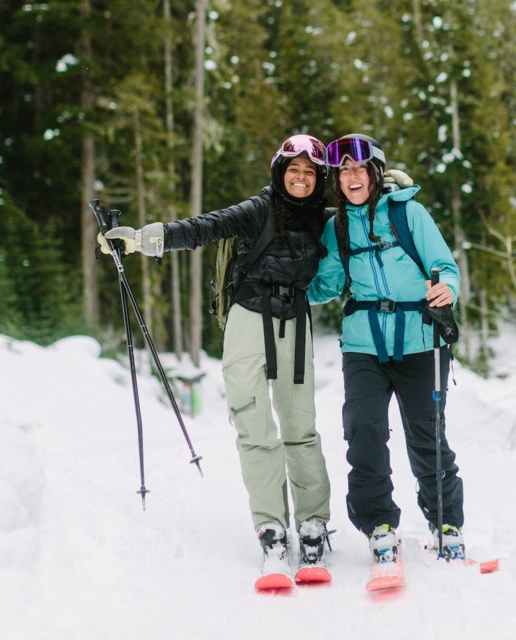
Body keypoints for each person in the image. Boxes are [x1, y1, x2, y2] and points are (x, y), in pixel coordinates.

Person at [98, 135, 334, 581]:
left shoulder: (326, 220)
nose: (301, 179)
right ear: (279, 173)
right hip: (248, 318)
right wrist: (141, 240)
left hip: (295, 322)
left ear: (318, 179)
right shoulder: (258, 210)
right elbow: (204, 227)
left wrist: (391, 191)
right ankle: (271, 528)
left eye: (310, 172)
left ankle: (314, 525)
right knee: (253, 423)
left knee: (301, 427)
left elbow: (365, 218)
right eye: (293, 170)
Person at [308, 133, 467, 575]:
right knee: (364, 430)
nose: (351, 178)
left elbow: (446, 267)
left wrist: (446, 287)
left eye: (359, 170)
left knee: (426, 435)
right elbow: (324, 286)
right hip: (364, 346)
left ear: (375, 173)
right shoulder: (335, 226)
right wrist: (285, 276)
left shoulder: (408, 213)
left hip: (421, 342)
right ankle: (378, 523)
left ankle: (446, 523)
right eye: (343, 172)